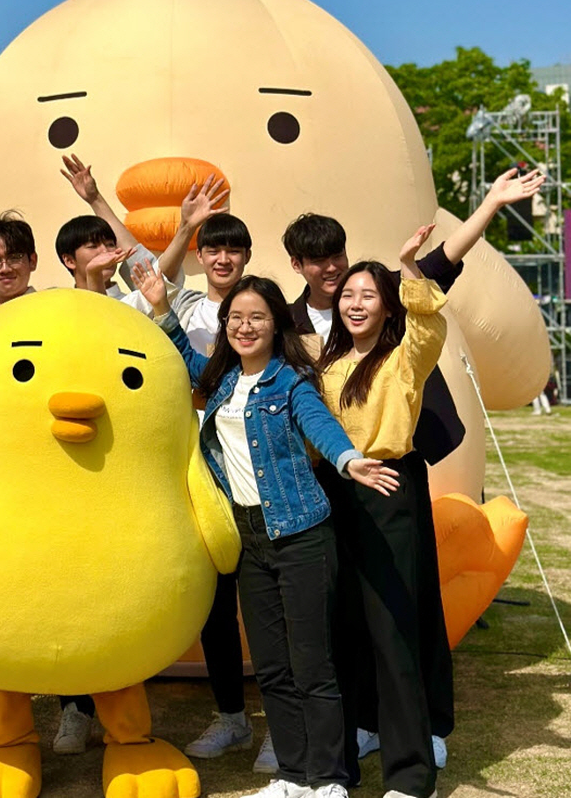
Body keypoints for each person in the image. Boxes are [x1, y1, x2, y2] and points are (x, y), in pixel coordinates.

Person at [281, 165, 545, 770]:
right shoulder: (294, 325)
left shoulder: (384, 299)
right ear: (297, 266)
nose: (331, 270)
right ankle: (366, 723)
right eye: (316, 261)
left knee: (411, 600)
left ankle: (428, 723)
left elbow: (440, 267)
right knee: (345, 609)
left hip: (394, 469)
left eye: (337, 257)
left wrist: (490, 205)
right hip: (332, 480)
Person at [133, 260, 399, 798]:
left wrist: (348, 459)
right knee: (273, 665)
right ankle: (293, 774)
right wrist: (161, 305)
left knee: (312, 664)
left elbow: (318, 423)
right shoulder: (224, 379)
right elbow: (186, 359)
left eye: (257, 317)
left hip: (301, 534)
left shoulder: (292, 380)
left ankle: (329, 778)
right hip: (249, 540)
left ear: (276, 325)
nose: (244, 325)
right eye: (235, 317)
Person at [61, 156, 276, 767]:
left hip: (250, 459)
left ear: (247, 258)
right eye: (213, 248)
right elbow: (140, 264)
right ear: (205, 256)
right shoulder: (181, 304)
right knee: (212, 596)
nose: (223, 259)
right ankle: (232, 716)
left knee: (262, 593)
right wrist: (101, 199)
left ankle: (280, 723)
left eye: (233, 250)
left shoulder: (259, 307)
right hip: (193, 460)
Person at [315, 225, 448, 798]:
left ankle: (411, 775)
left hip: (390, 491)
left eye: (368, 294)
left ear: (386, 304)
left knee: (394, 632)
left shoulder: (402, 359)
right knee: (342, 632)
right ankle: (337, 769)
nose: (356, 303)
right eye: (348, 295)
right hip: (335, 496)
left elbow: (430, 325)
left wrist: (408, 265)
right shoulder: (328, 367)